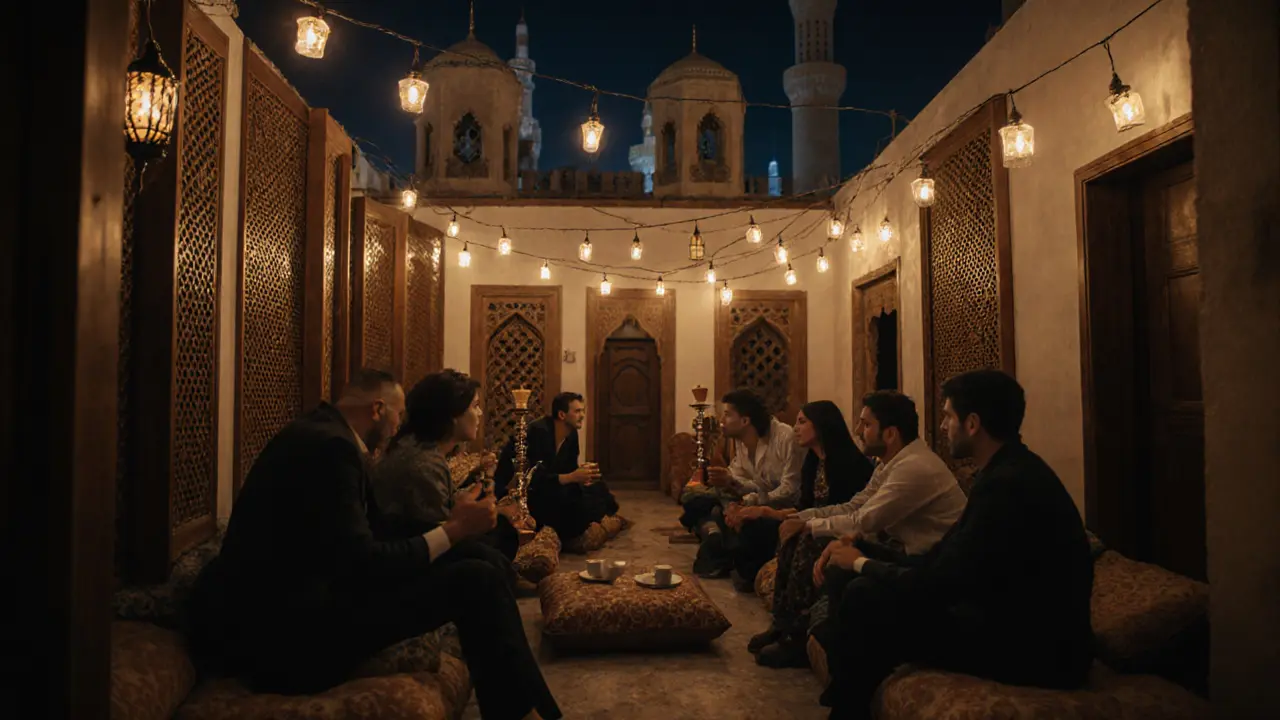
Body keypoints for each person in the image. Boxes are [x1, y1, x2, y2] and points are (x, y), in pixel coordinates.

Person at [186, 369, 561, 720]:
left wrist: (455, 532)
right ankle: (522, 713)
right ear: (378, 410)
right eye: (398, 414)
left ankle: (527, 707)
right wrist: (453, 530)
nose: (400, 424)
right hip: (294, 639)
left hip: (323, 595)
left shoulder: (329, 435)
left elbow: (378, 529)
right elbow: (362, 560)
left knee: (476, 557)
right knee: (475, 581)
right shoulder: (330, 449)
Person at [815, 370, 1093, 720]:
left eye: (948, 416)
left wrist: (860, 563)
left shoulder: (1009, 485)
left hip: (1036, 649)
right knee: (856, 584)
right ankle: (848, 693)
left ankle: (847, 707)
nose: (943, 426)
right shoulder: (1002, 471)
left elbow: (939, 583)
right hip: (1000, 619)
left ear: (972, 424)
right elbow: (943, 558)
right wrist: (864, 552)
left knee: (865, 597)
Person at [742, 401, 872, 666]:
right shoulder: (813, 460)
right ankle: (782, 624)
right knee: (788, 535)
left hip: (847, 530)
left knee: (805, 540)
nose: (795, 428)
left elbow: (848, 513)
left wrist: (802, 523)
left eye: (802, 422)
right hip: (820, 523)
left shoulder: (848, 462)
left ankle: (798, 636)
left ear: (821, 426)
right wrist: (781, 516)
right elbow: (805, 506)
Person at [374, 370, 535, 580]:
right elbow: (439, 532)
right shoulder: (422, 462)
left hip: (425, 541)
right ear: (452, 415)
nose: (480, 414)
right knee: (489, 560)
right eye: (475, 406)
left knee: (502, 530)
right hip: (408, 562)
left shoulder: (426, 450)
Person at [683, 389, 805, 582]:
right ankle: (715, 534)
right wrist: (729, 481)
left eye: (727, 414)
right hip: (752, 500)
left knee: (731, 517)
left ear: (745, 421)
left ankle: (719, 543)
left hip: (780, 508)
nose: (722, 420)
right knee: (694, 499)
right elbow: (743, 479)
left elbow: (790, 490)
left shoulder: (785, 438)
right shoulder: (741, 441)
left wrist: (747, 502)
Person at [494, 391, 619, 543]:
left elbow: (569, 469)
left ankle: (587, 519)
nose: (582, 416)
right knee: (574, 507)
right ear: (562, 415)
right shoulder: (538, 432)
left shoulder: (571, 434)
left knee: (598, 487)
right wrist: (572, 477)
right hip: (529, 492)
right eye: (577, 411)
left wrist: (583, 477)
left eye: (583, 411)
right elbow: (534, 479)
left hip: (554, 486)